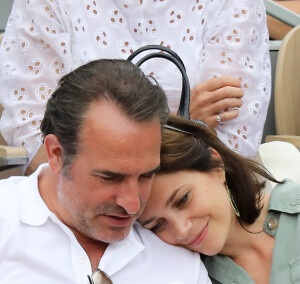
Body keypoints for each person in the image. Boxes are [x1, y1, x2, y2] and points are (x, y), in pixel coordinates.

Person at [0, 0, 270, 175]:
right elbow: (36, 144)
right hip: (76, 208)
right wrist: (186, 123)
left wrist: (100, 153)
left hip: (188, 208)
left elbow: (233, 145)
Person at [0, 60, 211, 283]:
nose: (132, 204)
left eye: (146, 175)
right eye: (110, 178)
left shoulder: (178, 257)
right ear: (56, 154)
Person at [138, 114, 300, 283]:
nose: (181, 230)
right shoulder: (191, 276)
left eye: (183, 200)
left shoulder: (295, 211)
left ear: (216, 165)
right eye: (158, 225)